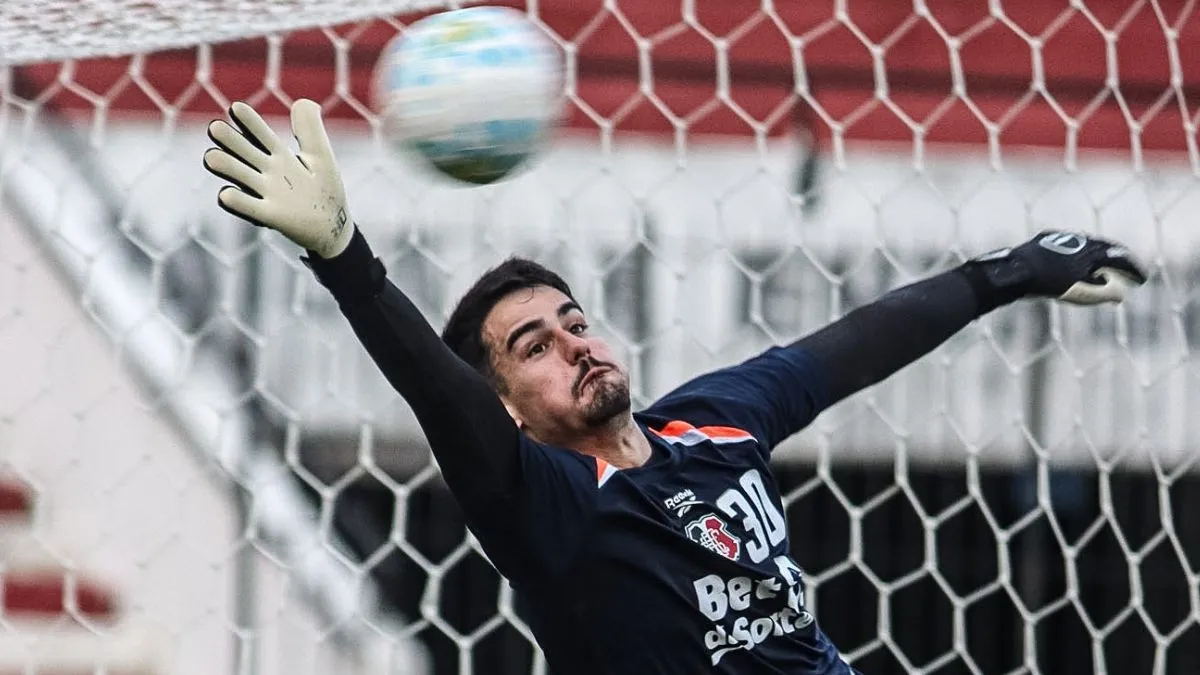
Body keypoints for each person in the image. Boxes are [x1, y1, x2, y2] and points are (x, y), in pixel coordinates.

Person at [201, 99, 1147, 674]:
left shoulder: (714, 422)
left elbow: (854, 344)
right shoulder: (543, 503)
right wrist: (346, 259)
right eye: (534, 347)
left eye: (575, 321)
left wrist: (1012, 271)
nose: (574, 345)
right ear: (508, 408)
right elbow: (436, 391)